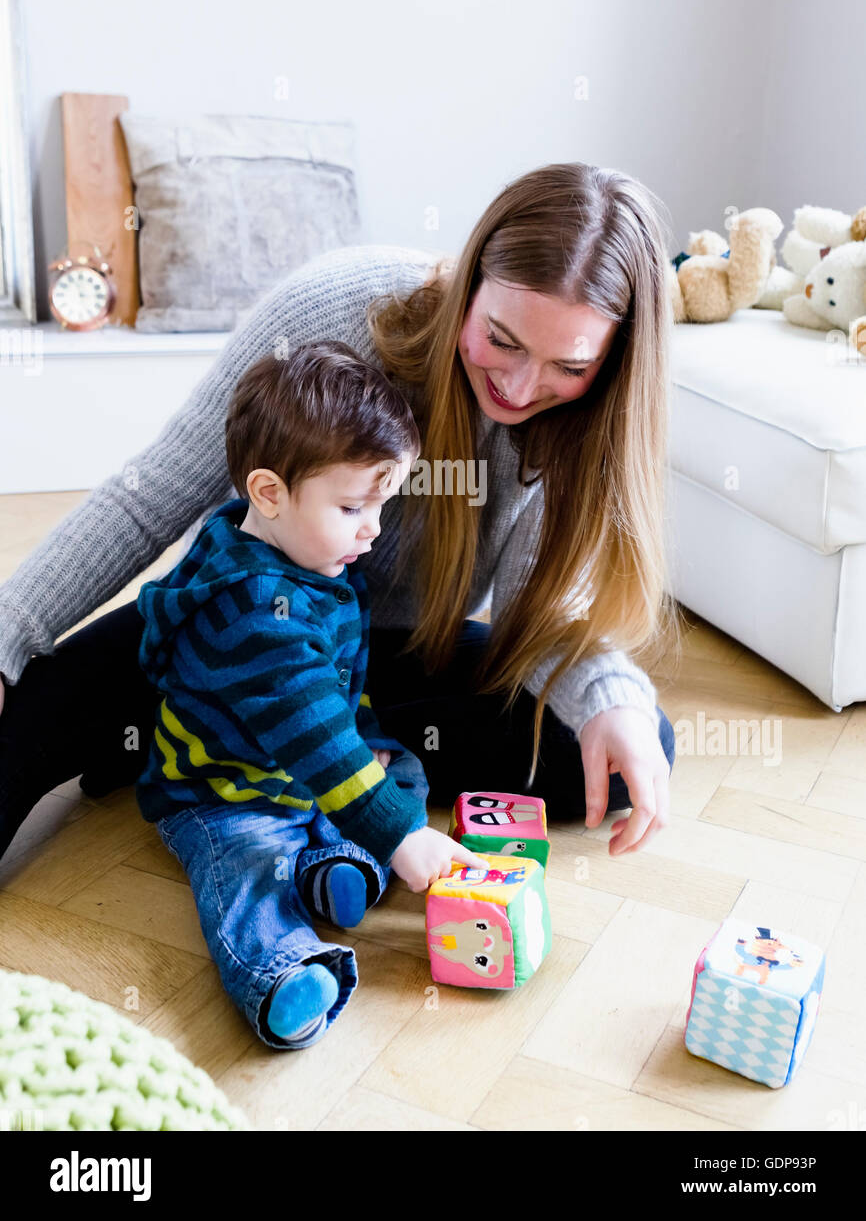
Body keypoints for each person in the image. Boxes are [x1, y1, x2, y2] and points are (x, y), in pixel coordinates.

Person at [0, 161, 682, 874]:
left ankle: (274, 757)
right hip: (243, 637)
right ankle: (247, 742)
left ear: (611, 362)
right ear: (473, 282)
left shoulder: (588, 427)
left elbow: (536, 617)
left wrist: (611, 701)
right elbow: (150, 496)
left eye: (566, 366)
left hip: (384, 658)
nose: (518, 387)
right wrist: (7, 633)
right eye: (503, 340)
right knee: (27, 718)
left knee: (623, 745)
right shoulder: (342, 310)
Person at [132, 341, 486, 1048]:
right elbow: (319, 738)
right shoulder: (258, 615)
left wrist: (384, 791)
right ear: (268, 493)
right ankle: (281, 971)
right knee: (250, 871)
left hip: (302, 770)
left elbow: (340, 711)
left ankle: (334, 862)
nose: (373, 529)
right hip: (225, 795)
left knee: (400, 768)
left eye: (382, 504)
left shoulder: (303, 551)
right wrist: (405, 835)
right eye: (354, 506)